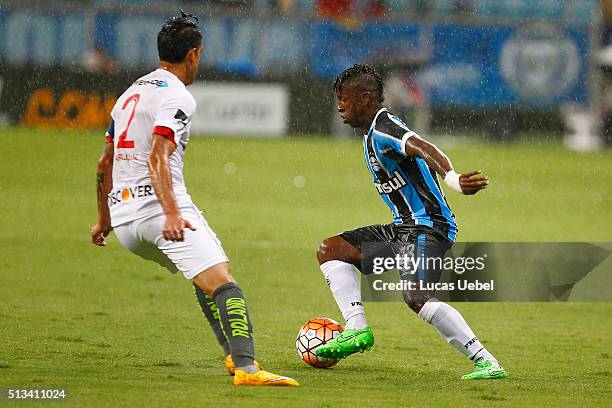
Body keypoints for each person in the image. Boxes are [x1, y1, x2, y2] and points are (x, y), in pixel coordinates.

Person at [89, 11, 298, 387]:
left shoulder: (129, 94)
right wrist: (170, 214)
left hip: (124, 222)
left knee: (206, 275)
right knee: (224, 282)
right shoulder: (178, 97)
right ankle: (248, 370)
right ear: (194, 55)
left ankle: (235, 357)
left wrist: (103, 219)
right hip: (159, 212)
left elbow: (105, 162)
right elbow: (158, 155)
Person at [314, 63, 507, 380]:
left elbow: (422, 146)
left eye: (343, 99)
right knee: (332, 250)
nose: (339, 106)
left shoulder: (384, 127)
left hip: (428, 226)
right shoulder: (369, 135)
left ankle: (487, 362)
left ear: (365, 99)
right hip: (403, 227)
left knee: (416, 295)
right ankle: (357, 328)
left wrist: (453, 178)